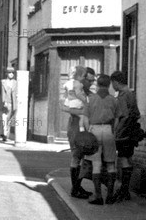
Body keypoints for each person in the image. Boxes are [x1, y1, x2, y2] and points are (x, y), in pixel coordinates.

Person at [82, 74, 121, 205]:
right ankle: (110, 196)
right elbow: (116, 119)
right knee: (110, 164)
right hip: (108, 130)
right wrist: (113, 132)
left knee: (96, 164)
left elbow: (86, 119)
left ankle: (98, 196)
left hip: (95, 130)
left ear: (97, 85)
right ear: (109, 85)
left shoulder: (90, 99)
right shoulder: (114, 100)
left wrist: (89, 132)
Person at [111, 71, 143, 202]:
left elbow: (122, 117)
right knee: (127, 159)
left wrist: (116, 133)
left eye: (113, 83)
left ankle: (124, 190)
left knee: (123, 160)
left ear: (116, 82)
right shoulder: (131, 94)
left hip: (123, 133)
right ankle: (125, 190)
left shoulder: (123, 96)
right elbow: (137, 114)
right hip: (131, 132)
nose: (112, 86)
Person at [60, 65, 92, 199]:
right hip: (76, 127)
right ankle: (75, 188)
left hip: (86, 127)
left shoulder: (89, 94)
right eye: (87, 79)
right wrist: (83, 111)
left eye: (91, 80)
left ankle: (78, 187)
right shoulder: (76, 91)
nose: (89, 82)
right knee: (76, 156)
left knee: (83, 158)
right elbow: (63, 107)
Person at [0, 67, 18, 142]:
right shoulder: (3, 82)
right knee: (4, 119)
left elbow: (17, 93)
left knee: (9, 121)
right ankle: (5, 134)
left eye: (12, 73)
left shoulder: (15, 82)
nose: (11, 74)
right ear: (6, 73)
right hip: (5, 104)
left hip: (12, 104)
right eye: (9, 72)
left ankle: (6, 135)